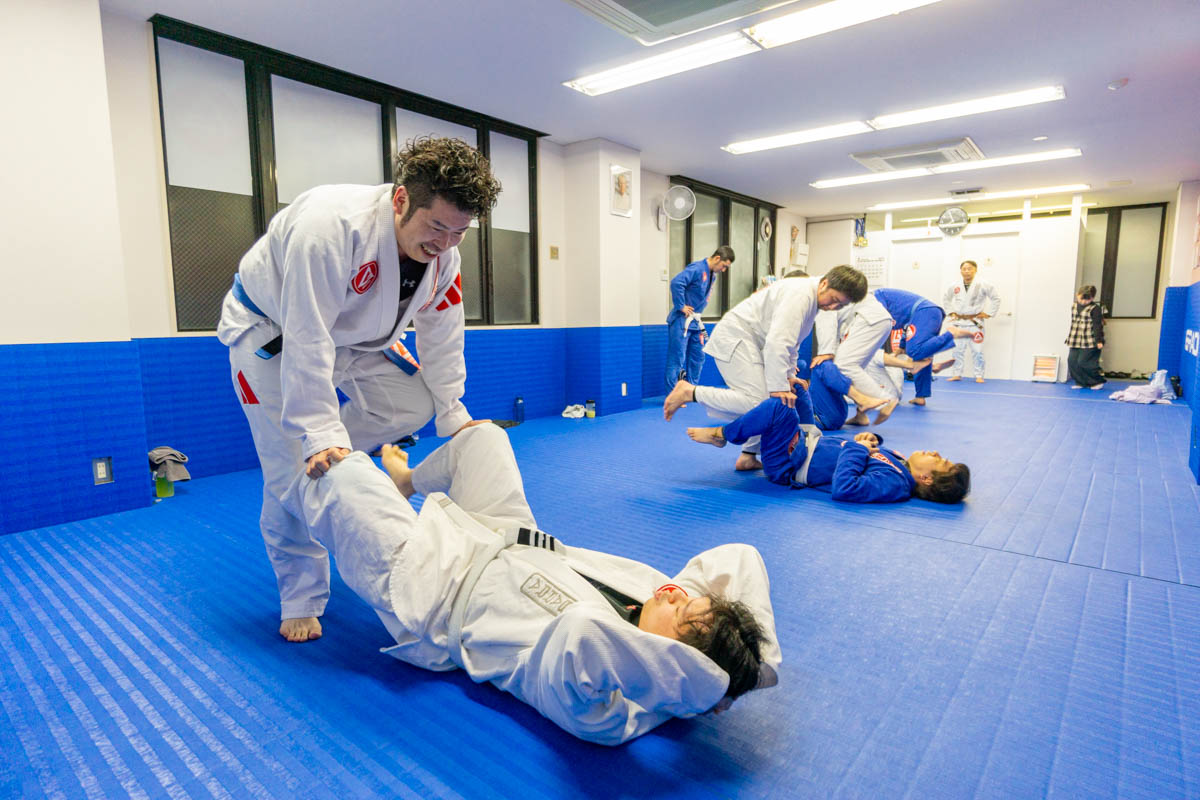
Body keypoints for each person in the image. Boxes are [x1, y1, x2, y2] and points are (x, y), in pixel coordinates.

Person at [282, 422, 781, 745]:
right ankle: (406, 481)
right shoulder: (657, 602)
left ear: (674, 669)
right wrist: (754, 669)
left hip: (435, 590)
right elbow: (740, 557)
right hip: (507, 533)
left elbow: (584, 633)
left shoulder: (607, 710)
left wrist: (703, 688)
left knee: (339, 473)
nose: (674, 592)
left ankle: (293, 556)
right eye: (690, 598)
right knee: (484, 438)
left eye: (682, 613)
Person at [217, 136, 502, 643]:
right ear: (400, 199)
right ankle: (300, 595)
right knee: (293, 469)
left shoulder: (446, 257)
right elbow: (307, 333)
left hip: (362, 340)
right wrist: (318, 433)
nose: (445, 243)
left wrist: (453, 412)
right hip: (271, 335)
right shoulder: (329, 228)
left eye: (459, 231)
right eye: (436, 226)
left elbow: (443, 333)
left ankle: (328, 461)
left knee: (415, 401)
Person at [664, 266, 868, 471]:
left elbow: (793, 343)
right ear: (824, 283)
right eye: (834, 299)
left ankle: (748, 456)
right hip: (737, 337)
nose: (833, 307)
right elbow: (778, 343)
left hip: (754, 343)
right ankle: (690, 392)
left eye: (840, 305)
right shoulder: (801, 295)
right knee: (762, 402)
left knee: (768, 402)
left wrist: (789, 375)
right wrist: (779, 386)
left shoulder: (812, 301)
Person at [685, 394, 970, 504]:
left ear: (926, 479)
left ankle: (722, 434)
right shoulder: (900, 464)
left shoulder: (895, 485)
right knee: (796, 385)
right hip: (808, 440)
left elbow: (845, 488)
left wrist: (858, 448)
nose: (935, 453)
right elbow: (868, 453)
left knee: (779, 407)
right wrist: (871, 439)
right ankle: (747, 457)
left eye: (940, 461)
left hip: (790, 463)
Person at [873, 287, 973, 406]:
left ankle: (951, 334)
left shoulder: (875, 297)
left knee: (914, 350)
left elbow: (881, 322)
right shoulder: (887, 306)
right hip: (928, 314)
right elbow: (906, 327)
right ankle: (920, 396)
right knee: (920, 357)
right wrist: (902, 347)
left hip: (924, 312)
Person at [811, 291, 899, 423]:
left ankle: (884, 400)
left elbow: (827, 318)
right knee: (851, 370)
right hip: (878, 320)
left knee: (842, 365)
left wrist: (826, 351)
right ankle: (861, 415)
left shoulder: (819, 296)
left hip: (870, 321)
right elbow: (836, 328)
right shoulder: (831, 293)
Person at [665, 246, 734, 392]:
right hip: (681, 320)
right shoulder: (697, 268)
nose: (723, 270)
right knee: (677, 359)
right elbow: (676, 283)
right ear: (717, 258)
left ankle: (690, 391)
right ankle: (673, 396)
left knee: (698, 357)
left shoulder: (712, 275)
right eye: (724, 266)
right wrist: (681, 306)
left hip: (696, 321)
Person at [807, 352, 929, 430]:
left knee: (823, 365)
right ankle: (861, 406)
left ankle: (862, 407)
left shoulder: (855, 356)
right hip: (823, 417)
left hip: (828, 414)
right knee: (823, 366)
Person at [943, 260, 1001, 383]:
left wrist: (989, 313)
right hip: (959, 322)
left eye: (969, 269)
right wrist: (951, 312)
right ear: (960, 271)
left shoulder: (983, 284)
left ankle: (979, 375)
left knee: (977, 350)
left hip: (975, 322)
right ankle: (957, 374)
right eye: (964, 269)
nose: (967, 271)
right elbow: (946, 298)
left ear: (975, 270)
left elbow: (996, 298)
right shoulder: (955, 285)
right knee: (957, 350)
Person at [1066, 284, 1106, 389]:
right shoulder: (1074, 306)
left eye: (1087, 300)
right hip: (1075, 338)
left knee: (1084, 362)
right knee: (1072, 361)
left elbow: (1097, 325)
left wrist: (1099, 340)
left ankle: (1096, 382)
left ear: (1092, 298)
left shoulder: (1095, 309)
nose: (1083, 302)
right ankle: (1080, 382)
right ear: (1077, 295)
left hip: (1090, 340)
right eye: (1081, 299)